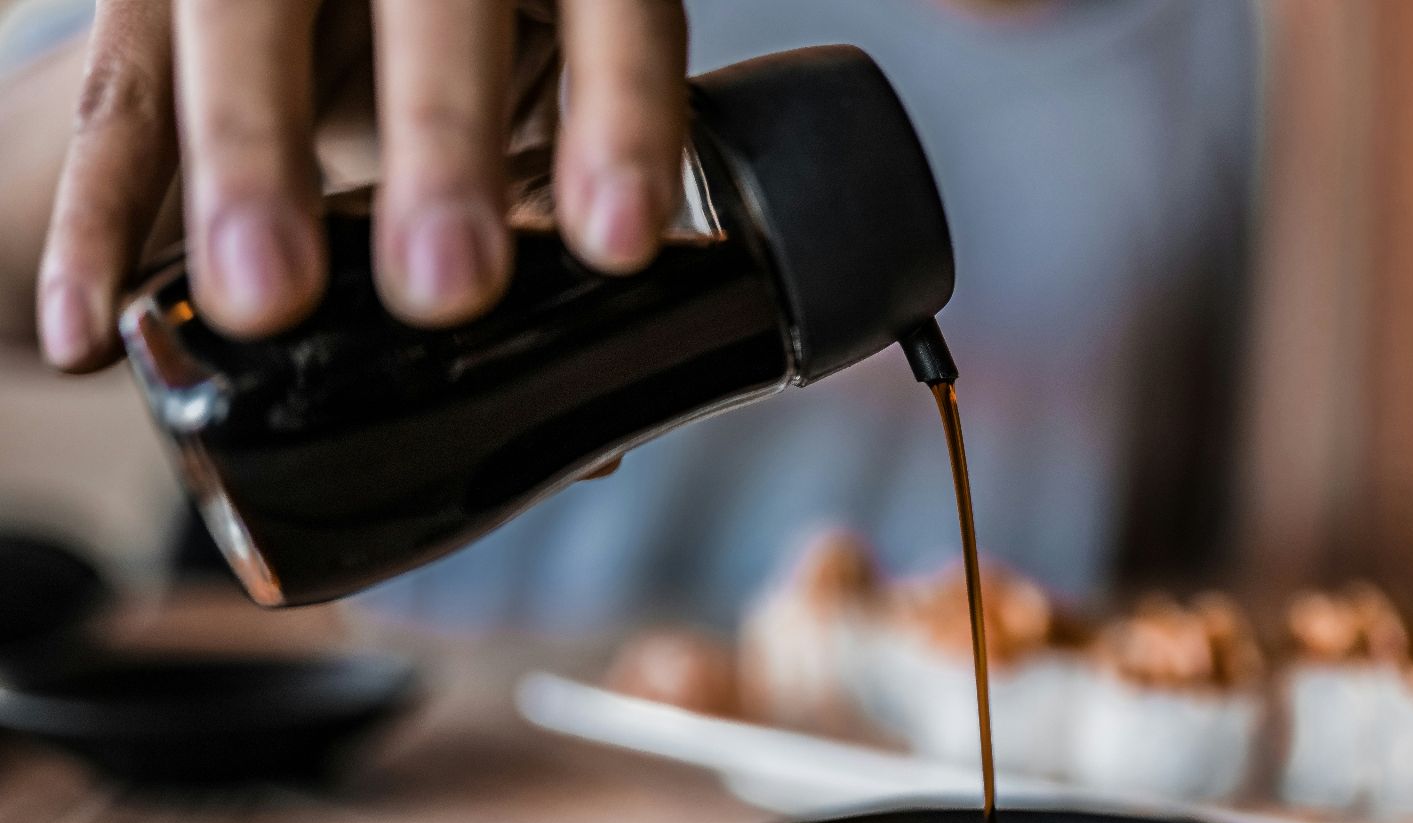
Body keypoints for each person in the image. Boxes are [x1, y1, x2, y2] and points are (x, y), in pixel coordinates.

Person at [0, 0, 1259, 630]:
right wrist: (142, 153)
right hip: (436, 758)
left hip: (936, 801)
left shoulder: (1240, 48)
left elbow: (1220, 517)